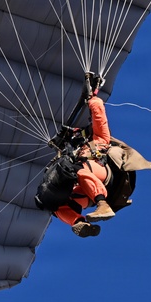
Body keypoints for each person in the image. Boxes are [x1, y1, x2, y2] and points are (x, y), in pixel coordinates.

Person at [53, 73, 118, 238]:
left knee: (79, 170)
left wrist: (92, 98)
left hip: (100, 174)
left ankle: (103, 204)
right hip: (82, 193)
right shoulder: (71, 153)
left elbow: (99, 118)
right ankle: (79, 223)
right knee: (54, 205)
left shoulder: (100, 141)